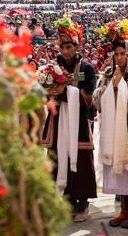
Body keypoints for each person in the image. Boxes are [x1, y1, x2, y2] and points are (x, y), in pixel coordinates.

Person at [92, 20, 128, 228]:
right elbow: (97, 102)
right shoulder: (108, 74)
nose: (119, 58)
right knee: (119, 168)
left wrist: (121, 88)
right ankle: (124, 209)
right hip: (113, 126)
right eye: (116, 54)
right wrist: (110, 86)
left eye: (122, 54)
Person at [40, 15, 97, 222]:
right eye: (62, 47)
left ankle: (82, 203)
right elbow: (44, 90)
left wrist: (65, 91)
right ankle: (61, 202)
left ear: (76, 44)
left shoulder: (86, 68)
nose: (65, 51)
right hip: (57, 120)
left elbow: (89, 99)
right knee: (56, 156)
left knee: (80, 159)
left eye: (69, 46)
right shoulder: (52, 68)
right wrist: (51, 92)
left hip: (78, 121)